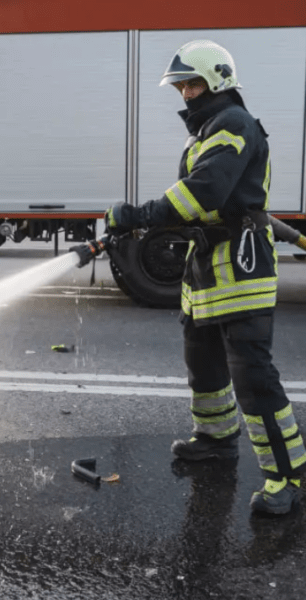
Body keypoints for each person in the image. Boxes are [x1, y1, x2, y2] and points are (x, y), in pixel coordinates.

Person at [105, 40, 306, 515]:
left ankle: (287, 475)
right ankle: (215, 439)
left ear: (216, 81)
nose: (185, 94)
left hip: (240, 267)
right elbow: (234, 199)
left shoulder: (233, 124)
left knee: (252, 377)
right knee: (204, 362)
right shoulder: (209, 129)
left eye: (192, 84)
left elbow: (204, 193)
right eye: (181, 86)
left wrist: (137, 214)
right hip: (208, 268)